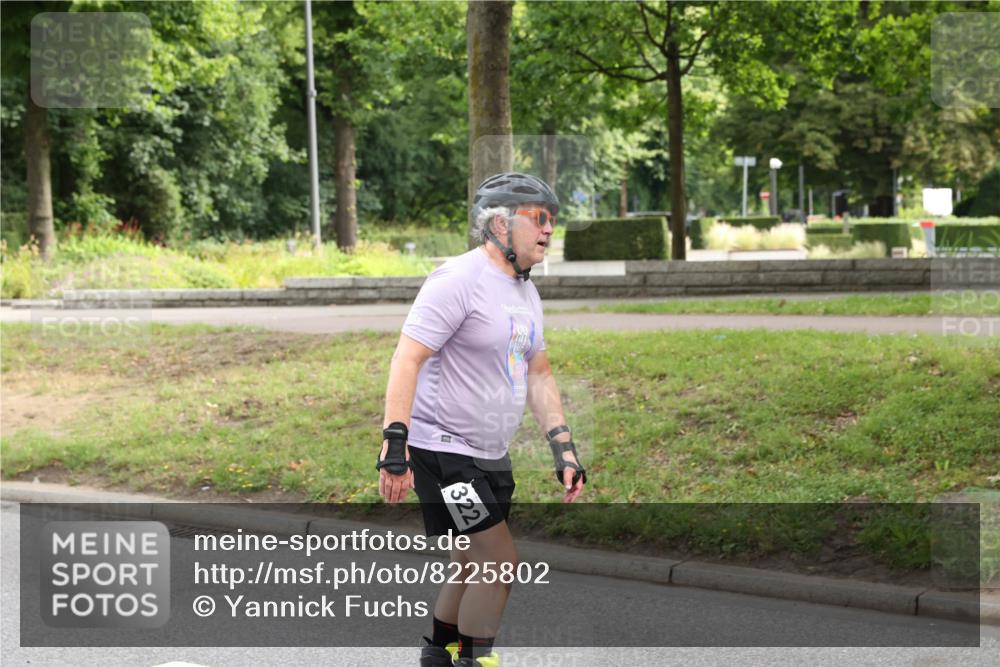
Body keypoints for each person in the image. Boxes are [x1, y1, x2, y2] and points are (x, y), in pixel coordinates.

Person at [377, 172, 587, 667]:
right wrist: (394, 444)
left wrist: (563, 446)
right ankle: (475, 660)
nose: (549, 229)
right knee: (499, 563)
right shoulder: (458, 279)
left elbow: (538, 372)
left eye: (553, 220)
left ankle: (439, 654)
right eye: (538, 218)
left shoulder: (524, 292)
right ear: (499, 224)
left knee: (471, 561)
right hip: (446, 455)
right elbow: (407, 357)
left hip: (489, 455)